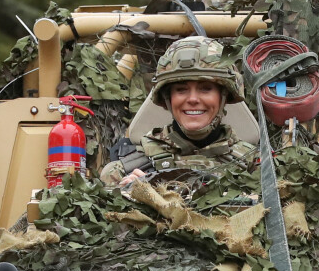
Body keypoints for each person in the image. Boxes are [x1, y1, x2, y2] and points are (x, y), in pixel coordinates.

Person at [100, 36, 257, 188]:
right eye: (181, 90)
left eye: (205, 89)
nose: (193, 99)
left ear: (224, 96)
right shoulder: (122, 171)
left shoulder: (259, 168)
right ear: (168, 99)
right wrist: (129, 194)